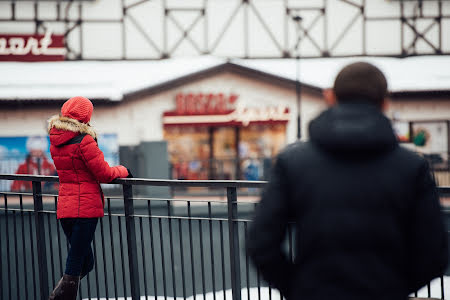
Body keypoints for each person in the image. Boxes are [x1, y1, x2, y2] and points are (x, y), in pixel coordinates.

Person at [247, 62, 448, 300]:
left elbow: (261, 243)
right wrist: (395, 287)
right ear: (384, 103)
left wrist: (298, 288)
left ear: (330, 97)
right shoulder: (411, 167)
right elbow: (435, 251)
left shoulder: (293, 163)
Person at [47, 96, 130, 300]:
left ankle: (58, 294)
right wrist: (124, 170)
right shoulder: (84, 140)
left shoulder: (56, 140)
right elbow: (104, 174)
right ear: (86, 116)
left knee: (86, 263)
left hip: (66, 209)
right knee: (76, 262)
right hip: (85, 210)